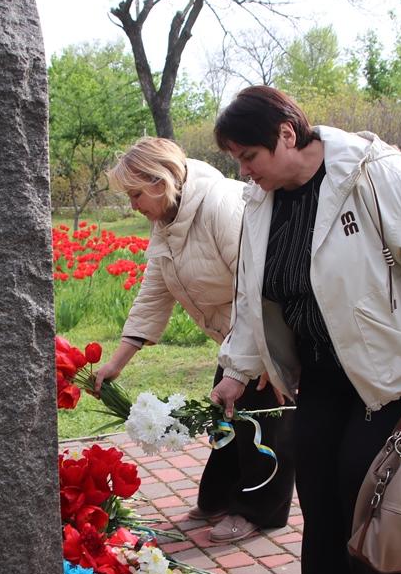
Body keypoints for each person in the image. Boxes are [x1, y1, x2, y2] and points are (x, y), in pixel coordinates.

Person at [209, 86, 401, 574]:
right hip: (323, 368)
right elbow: (252, 295)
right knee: (314, 477)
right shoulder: (262, 203)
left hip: (399, 367)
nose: (244, 172)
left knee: (366, 482)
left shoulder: (373, 173)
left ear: (286, 135)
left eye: (249, 157)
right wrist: (237, 370)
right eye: (237, 160)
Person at [97, 137, 295, 543]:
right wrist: (117, 362)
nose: (133, 205)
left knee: (263, 424)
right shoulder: (167, 221)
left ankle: (260, 510)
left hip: (269, 328)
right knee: (227, 415)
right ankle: (218, 498)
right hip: (234, 333)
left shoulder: (221, 205)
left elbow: (257, 288)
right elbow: (154, 291)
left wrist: (266, 359)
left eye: (136, 193)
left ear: (160, 181)